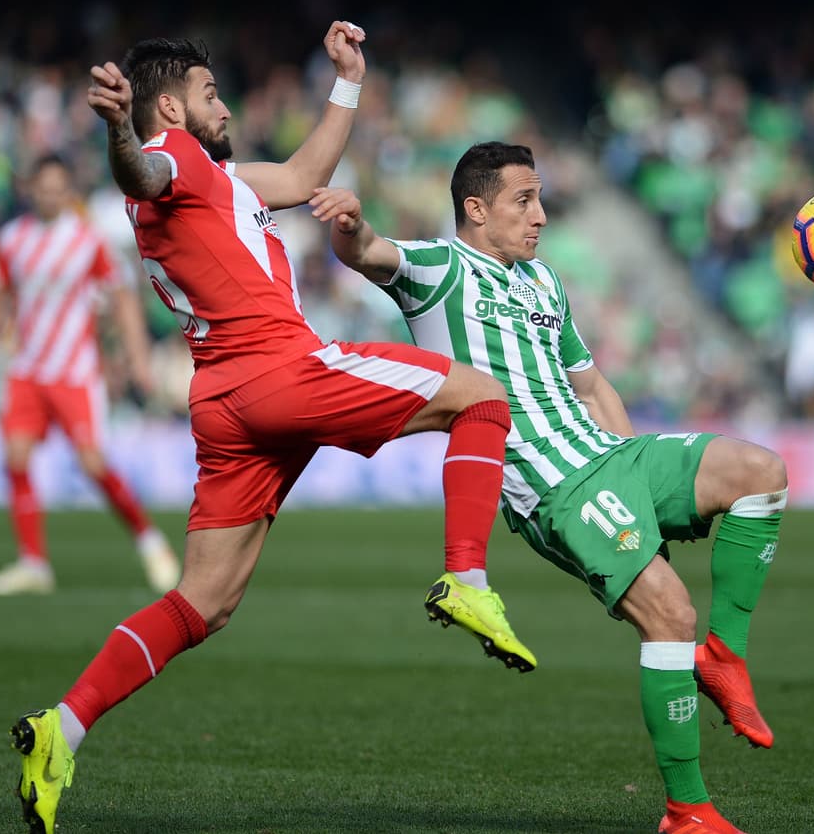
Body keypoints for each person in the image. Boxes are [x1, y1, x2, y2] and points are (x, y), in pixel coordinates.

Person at [8, 24, 536, 834]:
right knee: (482, 398)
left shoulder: (220, 181)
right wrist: (120, 128)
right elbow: (142, 169)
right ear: (175, 106)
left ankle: (62, 727)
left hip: (224, 401)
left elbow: (302, 173)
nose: (226, 104)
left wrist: (348, 81)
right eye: (212, 93)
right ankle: (466, 578)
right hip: (280, 371)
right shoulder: (174, 157)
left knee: (202, 601)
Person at [311, 142, 789, 834]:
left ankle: (725, 655)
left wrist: (631, 467)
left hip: (607, 456)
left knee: (760, 471)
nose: (539, 215)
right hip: (551, 485)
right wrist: (349, 223)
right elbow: (368, 253)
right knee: (670, 615)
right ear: (476, 209)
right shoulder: (442, 269)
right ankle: (688, 812)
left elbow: (591, 385)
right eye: (522, 201)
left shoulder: (543, 282)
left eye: (539, 199)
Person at [0, 153, 181, 596]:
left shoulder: (87, 241)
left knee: (92, 464)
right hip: (26, 369)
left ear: (68, 191)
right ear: (31, 188)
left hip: (74, 371)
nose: (50, 193)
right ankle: (34, 563)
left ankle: (150, 540)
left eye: (59, 186)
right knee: (16, 458)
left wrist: (137, 359)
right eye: (44, 185)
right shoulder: (13, 238)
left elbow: (122, 299)